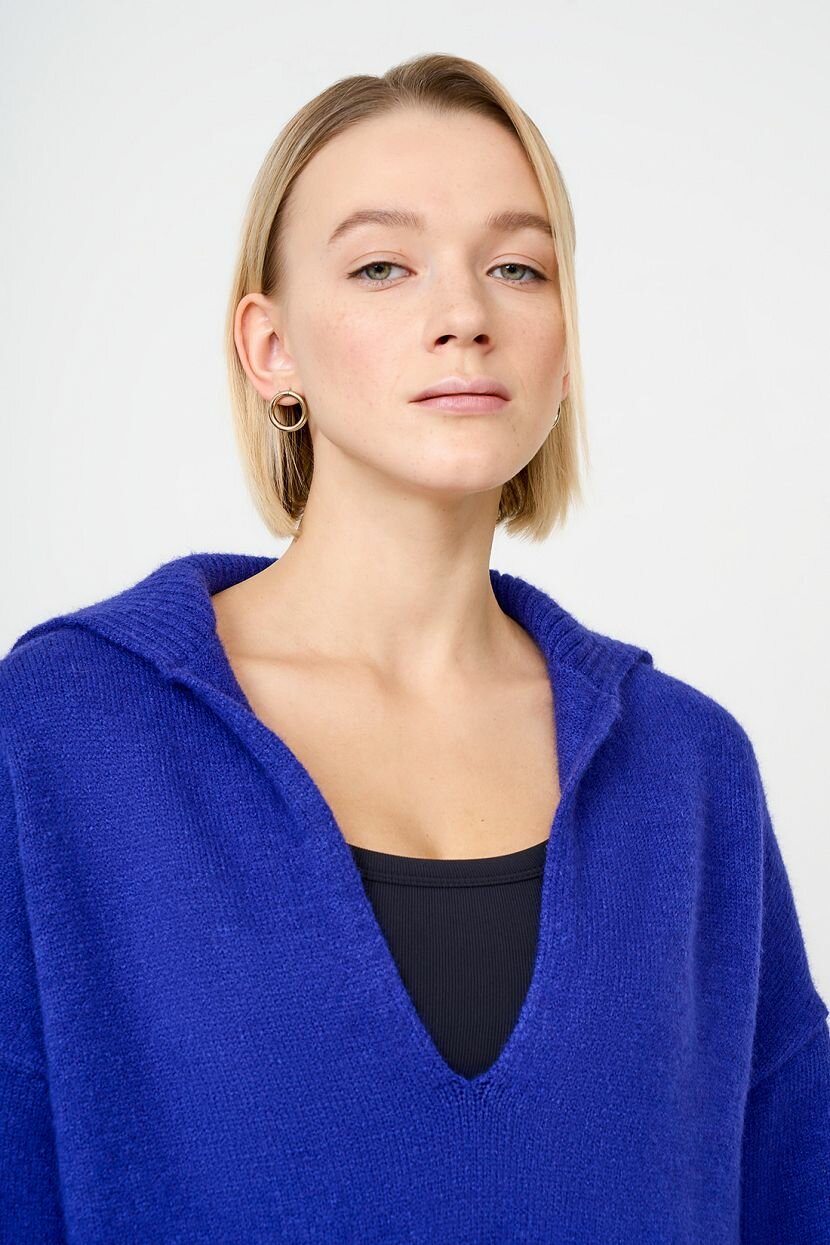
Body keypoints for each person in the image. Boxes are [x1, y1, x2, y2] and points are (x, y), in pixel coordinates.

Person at [1, 51, 828, 1244]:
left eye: (516, 267)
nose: (465, 316)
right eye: (382, 266)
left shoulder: (688, 772)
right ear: (270, 349)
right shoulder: (62, 737)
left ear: (561, 343)